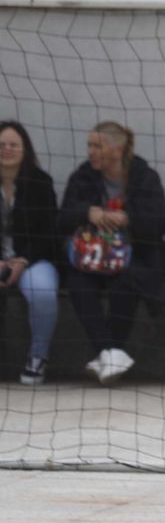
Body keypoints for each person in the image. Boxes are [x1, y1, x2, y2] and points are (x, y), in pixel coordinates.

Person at [57, 120, 165, 384]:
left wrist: (127, 218)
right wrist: (88, 212)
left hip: (135, 256)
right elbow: (61, 219)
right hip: (90, 257)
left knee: (126, 281)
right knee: (77, 282)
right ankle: (112, 354)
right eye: (89, 145)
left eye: (98, 146)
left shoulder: (145, 176)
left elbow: (162, 222)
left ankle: (107, 354)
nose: (91, 151)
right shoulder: (82, 176)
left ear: (118, 150)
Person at [0, 120, 61, 385]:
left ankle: (38, 357)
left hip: (33, 259)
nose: (7, 149)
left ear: (25, 150)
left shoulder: (40, 183)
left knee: (43, 292)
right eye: (2, 145)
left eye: (14, 145)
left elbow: (49, 232)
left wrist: (22, 260)